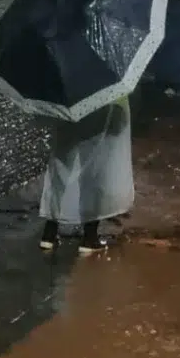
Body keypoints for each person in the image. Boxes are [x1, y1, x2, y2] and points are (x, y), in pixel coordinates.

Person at [38, 97, 134, 253]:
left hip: (67, 106)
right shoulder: (106, 77)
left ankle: (48, 235)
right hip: (99, 107)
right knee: (95, 169)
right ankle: (89, 237)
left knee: (61, 166)